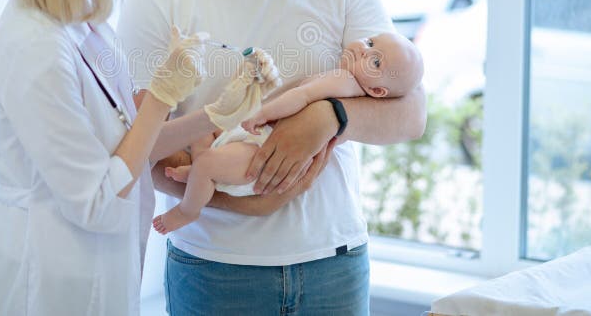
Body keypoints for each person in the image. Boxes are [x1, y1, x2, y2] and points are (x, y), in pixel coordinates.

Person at [119, 0, 427, 315]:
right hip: (214, 271)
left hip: (335, 264)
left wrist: (330, 116)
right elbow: (144, 154)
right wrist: (249, 204)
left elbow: (411, 113)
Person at [0, 0, 278, 316]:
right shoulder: (35, 49)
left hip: (91, 270)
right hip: (42, 279)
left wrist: (215, 116)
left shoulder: (85, 28)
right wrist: (161, 99)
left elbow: (129, 148)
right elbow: (97, 201)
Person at [152, 32, 424, 234]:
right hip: (254, 142)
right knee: (203, 135)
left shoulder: (344, 81)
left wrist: (262, 113)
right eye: (370, 42)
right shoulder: (345, 80)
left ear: (377, 92)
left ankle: (188, 210)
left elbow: (298, 97)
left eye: (375, 62)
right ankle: (198, 174)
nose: (364, 51)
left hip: (261, 152)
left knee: (208, 160)